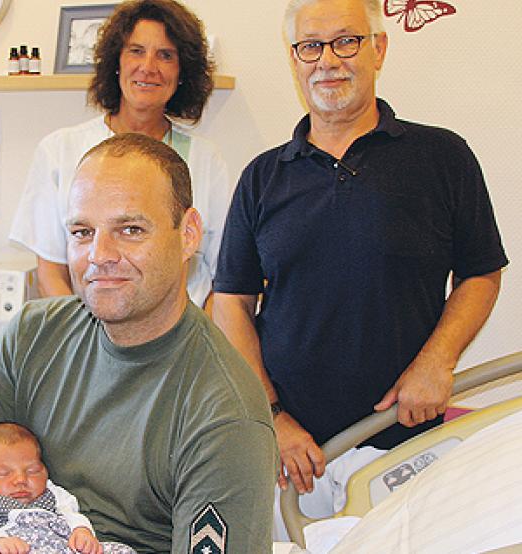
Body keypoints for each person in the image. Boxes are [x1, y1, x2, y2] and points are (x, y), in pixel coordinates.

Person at [211, 0, 508, 535]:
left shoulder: (443, 158)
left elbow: (481, 272)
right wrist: (272, 418)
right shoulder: (262, 178)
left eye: (346, 41)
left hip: (407, 442)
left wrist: (437, 362)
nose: (327, 60)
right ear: (295, 59)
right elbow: (230, 303)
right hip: (292, 459)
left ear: (379, 49)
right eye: (310, 46)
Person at [0, 134, 277, 554]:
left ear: (188, 234)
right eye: (82, 231)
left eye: (130, 229)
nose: (99, 255)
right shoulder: (32, 337)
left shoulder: (224, 415)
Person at [9, 0, 231, 311]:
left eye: (165, 55)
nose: (148, 66)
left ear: (182, 73)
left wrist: (195, 344)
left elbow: (224, 278)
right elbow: (51, 274)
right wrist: (89, 341)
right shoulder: (59, 151)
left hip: (181, 342)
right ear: (116, 63)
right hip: (89, 336)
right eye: (136, 51)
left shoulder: (206, 159)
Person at [0, 422, 135, 554]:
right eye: (3, 473)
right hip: (20, 547)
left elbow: (70, 510)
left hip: (65, 546)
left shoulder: (50, 490)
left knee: (122, 550)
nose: (21, 480)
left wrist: (81, 531)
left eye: (32, 471)